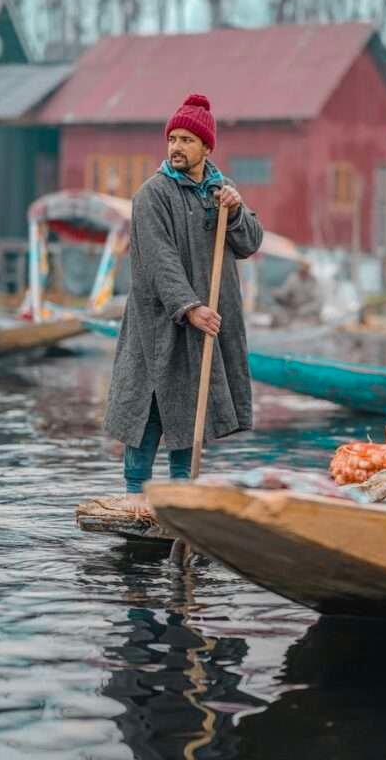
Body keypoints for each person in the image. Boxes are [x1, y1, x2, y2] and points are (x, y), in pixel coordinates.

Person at [104, 93, 264, 518]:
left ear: (206, 148)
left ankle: (183, 503)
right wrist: (189, 307)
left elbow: (248, 243)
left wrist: (237, 212)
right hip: (158, 324)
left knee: (190, 411)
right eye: (172, 138)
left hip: (204, 325)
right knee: (149, 408)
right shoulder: (151, 195)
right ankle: (136, 499)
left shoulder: (219, 192)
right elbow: (159, 263)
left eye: (186, 140)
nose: (176, 146)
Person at [270, 259, 322, 326]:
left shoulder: (313, 282)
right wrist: (277, 293)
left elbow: (317, 303)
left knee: (302, 324)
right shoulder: (293, 278)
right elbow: (284, 292)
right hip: (292, 310)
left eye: (304, 269)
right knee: (275, 312)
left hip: (307, 313)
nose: (302, 271)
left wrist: (303, 310)